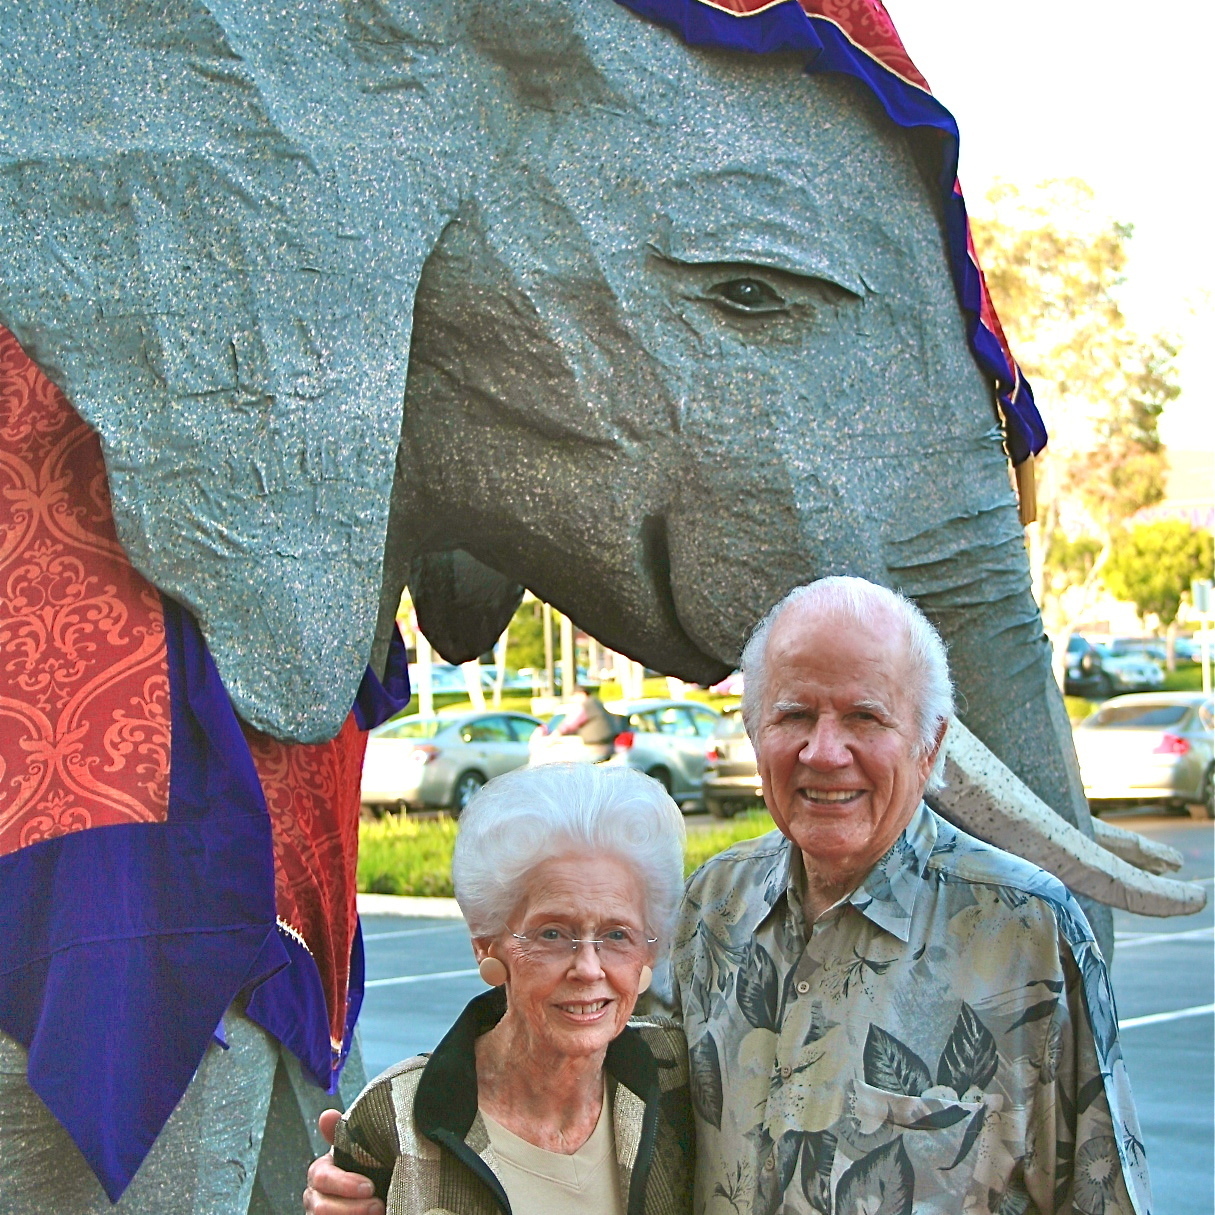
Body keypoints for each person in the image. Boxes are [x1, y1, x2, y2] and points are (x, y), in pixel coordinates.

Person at [309, 575, 1150, 1215]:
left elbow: (1101, 1188)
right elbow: (584, 1069)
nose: (824, 752)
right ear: (753, 732)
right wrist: (407, 1164)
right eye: (793, 716)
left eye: (864, 716)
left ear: (929, 745)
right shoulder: (714, 904)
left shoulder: (1025, 927)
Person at [303, 762, 692, 1215]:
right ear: (488, 945)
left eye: (616, 935)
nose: (588, 968)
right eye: (552, 934)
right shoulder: (397, 1116)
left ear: (647, 953)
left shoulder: (680, 1077)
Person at [555, 685, 618, 760]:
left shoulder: (587, 706)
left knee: (574, 767)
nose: (573, 700)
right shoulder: (596, 703)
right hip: (608, 747)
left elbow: (570, 723)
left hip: (597, 749)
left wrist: (554, 735)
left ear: (582, 694)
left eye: (574, 696)